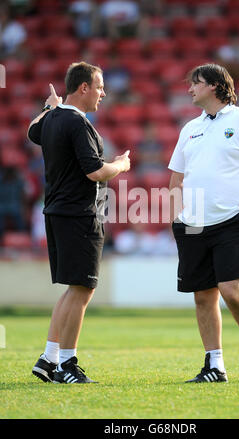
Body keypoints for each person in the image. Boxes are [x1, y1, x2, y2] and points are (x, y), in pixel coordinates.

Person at [168, 63, 239, 383]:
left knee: (231, 289)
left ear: (215, 86)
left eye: (195, 83)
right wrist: (177, 217)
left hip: (232, 219)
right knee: (202, 295)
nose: (189, 88)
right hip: (192, 224)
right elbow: (177, 176)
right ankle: (214, 366)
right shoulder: (190, 128)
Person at [28, 62, 130, 384]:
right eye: (99, 87)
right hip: (79, 215)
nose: (103, 93)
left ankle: (49, 358)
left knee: (74, 289)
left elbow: (33, 131)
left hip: (57, 213)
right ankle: (67, 365)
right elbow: (95, 171)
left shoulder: (54, 118)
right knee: (83, 289)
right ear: (83, 88)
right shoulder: (78, 123)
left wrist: (49, 108)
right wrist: (120, 165)